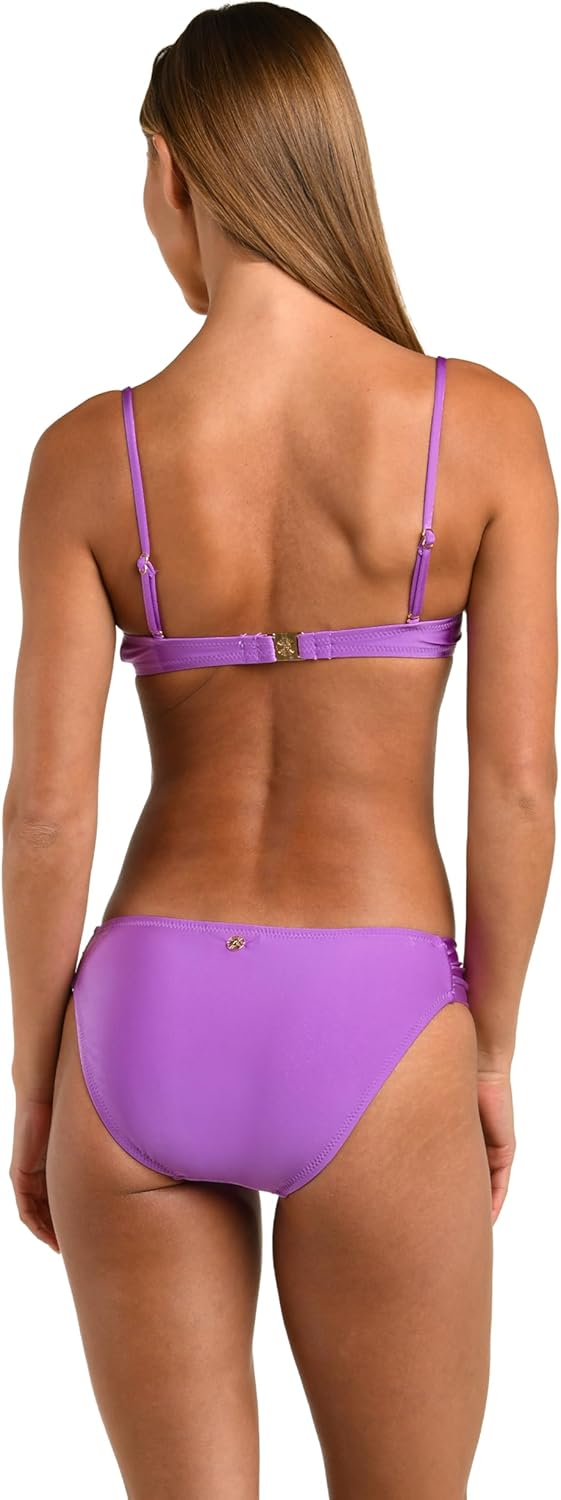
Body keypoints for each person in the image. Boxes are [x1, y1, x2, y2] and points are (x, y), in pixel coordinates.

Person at [3, 5, 557, 1498]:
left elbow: (44, 814)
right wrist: (488, 1046)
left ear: (171, 170)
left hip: (141, 1013)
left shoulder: (90, 452)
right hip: (377, 1013)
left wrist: (40, 1085)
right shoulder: (480, 426)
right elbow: (518, 784)